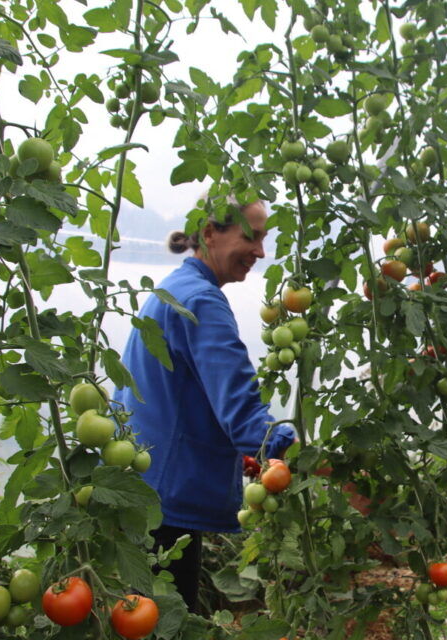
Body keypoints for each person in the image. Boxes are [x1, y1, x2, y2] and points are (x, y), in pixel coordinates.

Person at [115, 197, 294, 612]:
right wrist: (300, 454)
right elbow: (246, 418)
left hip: (145, 485)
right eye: (251, 236)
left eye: (265, 239)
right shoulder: (203, 301)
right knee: (169, 620)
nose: (261, 252)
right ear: (210, 233)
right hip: (168, 501)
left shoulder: (174, 288)